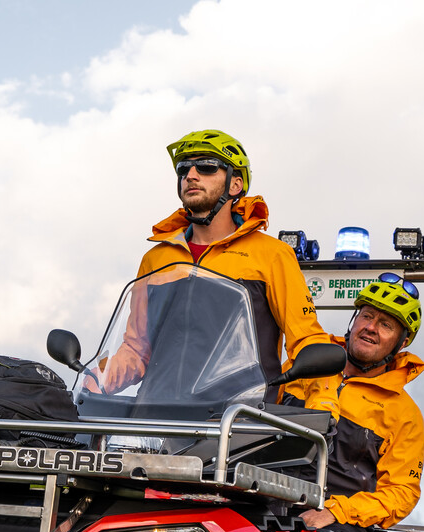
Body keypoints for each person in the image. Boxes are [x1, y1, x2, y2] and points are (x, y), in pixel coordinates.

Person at [91, 129, 328, 395]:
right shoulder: (155, 259)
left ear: (235, 185)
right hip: (157, 420)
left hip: (241, 423)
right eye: (184, 169)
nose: (190, 175)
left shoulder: (272, 254)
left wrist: (324, 407)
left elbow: (307, 341)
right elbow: (135, 350)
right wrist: (92, 381)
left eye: (206, 167)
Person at [281, 273, 424, 532]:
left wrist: (337, 511)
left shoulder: (404, 413)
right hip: (260, 495)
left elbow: (401, 493)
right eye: (367, 316)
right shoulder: (306, 363)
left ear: (403, 341)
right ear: (354, 319)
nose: (371, 328)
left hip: (333, 519)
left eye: (385, 325)